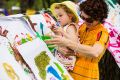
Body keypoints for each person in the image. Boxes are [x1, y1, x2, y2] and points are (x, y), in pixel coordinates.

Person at [45, 0, 109, 80]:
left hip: (86, 75)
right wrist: (60, 48)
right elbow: (74, 46)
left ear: (99, 18)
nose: (85, 21)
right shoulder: (83, 26)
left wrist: (67, 42)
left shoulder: (102, 33)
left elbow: (94, 52)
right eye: (82, 17)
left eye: (89, 20)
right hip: (70, 72)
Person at [49, 1, 80, 71]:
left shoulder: (71, 27)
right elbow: (61, 40)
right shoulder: (65, 27)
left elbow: (74, 42)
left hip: (67, 62)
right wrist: (56, 32)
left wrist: (62, 31)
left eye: (60, 15)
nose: (58, 18)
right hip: (62, 59)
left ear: (70, 15)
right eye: (56, 16)